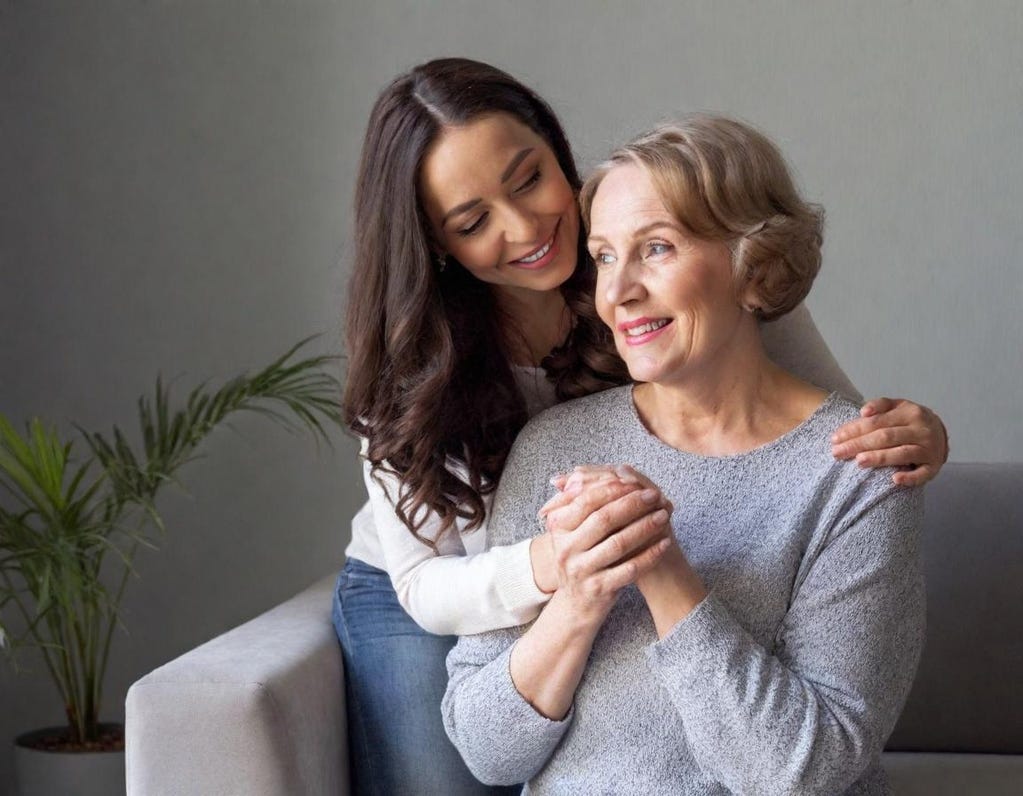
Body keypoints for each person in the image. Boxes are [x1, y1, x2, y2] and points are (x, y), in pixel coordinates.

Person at [335, 59, 945, 795]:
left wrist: (911, 438)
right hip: (441, 572)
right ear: (438, 243)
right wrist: (571, 574)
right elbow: (433, 601)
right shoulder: (429, 377)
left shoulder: (646, 225)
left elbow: (833, 435)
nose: (525, 226)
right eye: (472, 221)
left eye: (529, 179)